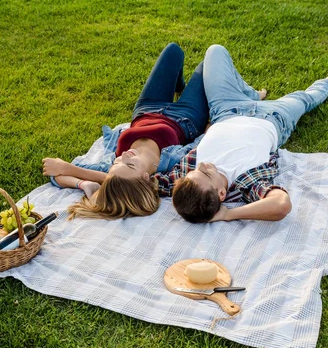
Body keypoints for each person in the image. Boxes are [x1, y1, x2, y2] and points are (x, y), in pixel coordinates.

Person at [155, 44, 328, 223]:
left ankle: (251, 95)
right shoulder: (245, 181)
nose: (203, 165)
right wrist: (228, 214)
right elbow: (281, 205)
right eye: (206, 172)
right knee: (304, 99)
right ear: (222, 193)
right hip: (274, 118)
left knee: (215, 51)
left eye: (196, 170)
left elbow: (145, 183)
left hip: (226, 109)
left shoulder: (187, 175)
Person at [42, 43, 215, 219]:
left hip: (147, 109)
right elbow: (203, 145)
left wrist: (85, 183)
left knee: (173, 51)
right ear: (147, 178)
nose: (124, 156)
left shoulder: (110, 168)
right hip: (186, 117)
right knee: (209, 63)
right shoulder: (171, 167)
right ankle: (187, 94)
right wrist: (209, 129)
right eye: (130, 165)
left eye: (117, 164)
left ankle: (178, 86)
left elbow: (56, 173)